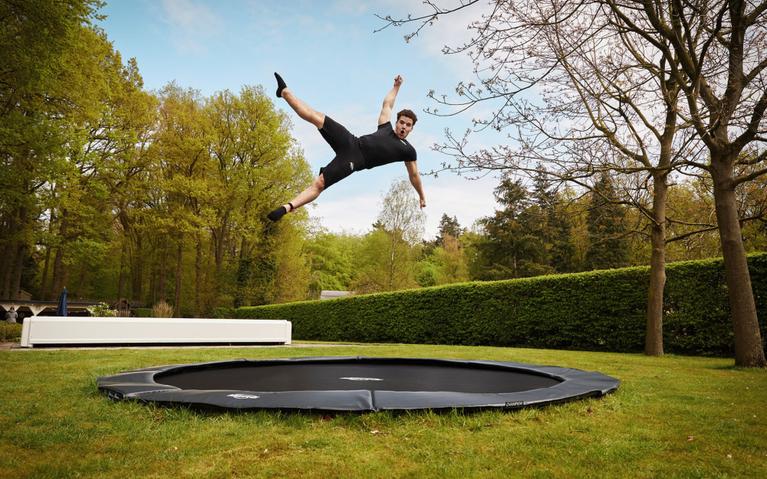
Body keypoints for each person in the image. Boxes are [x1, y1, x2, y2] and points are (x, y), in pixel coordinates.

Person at [267, 73, 426, 221]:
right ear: (397, 123)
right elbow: (388, 104)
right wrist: (396, 87)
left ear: (412, 128)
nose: (403, 127)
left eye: (408, 125)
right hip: (350, 141)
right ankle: (285, 92)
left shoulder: (408, 150)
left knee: (320, 183)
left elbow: (414, 176)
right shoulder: (385, 127)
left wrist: (421, 195)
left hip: (355, 160)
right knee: (316, 117)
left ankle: (287, 207)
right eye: (401, 123)